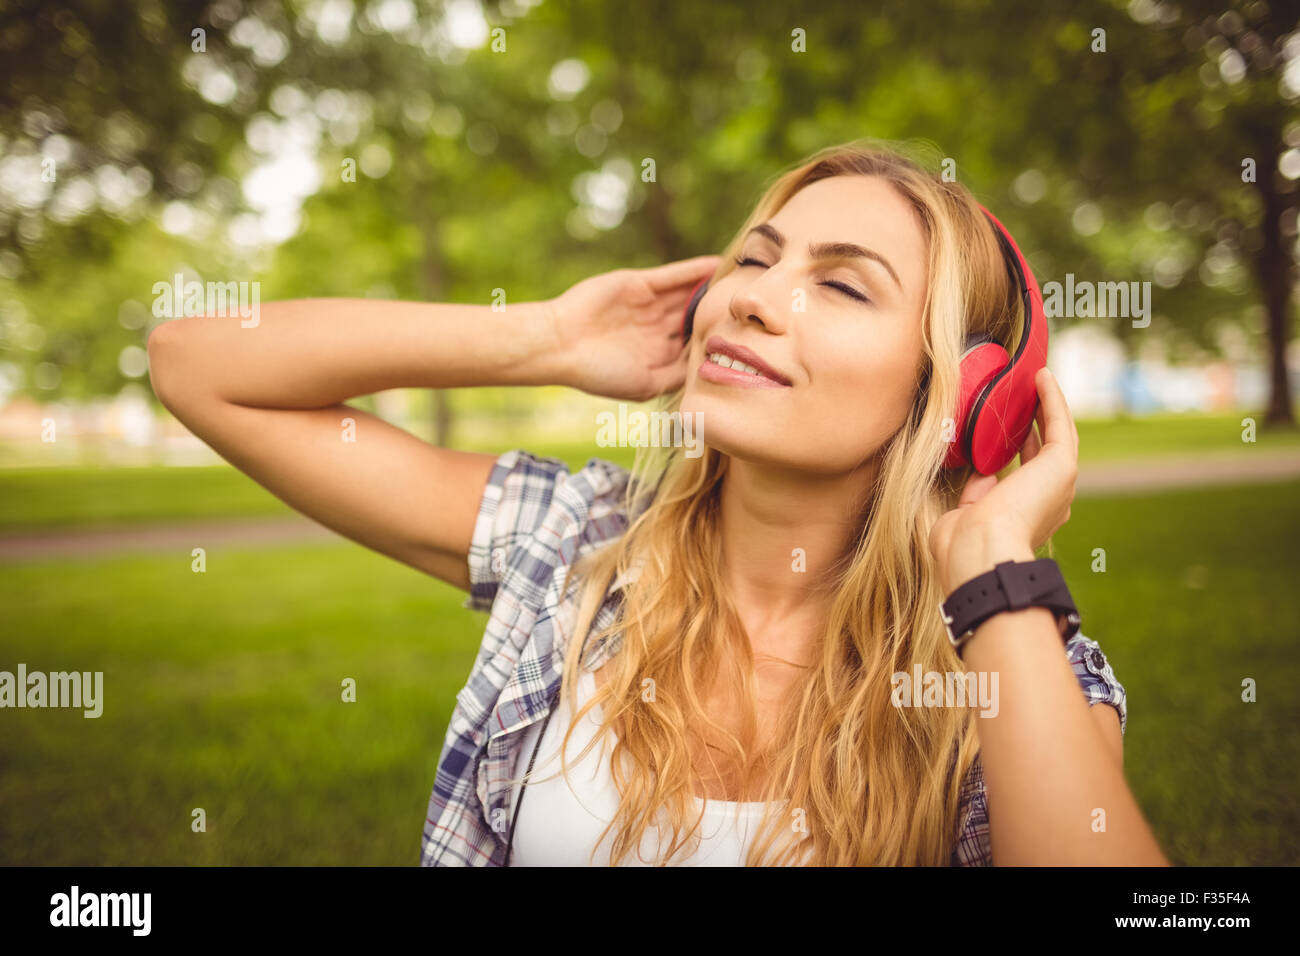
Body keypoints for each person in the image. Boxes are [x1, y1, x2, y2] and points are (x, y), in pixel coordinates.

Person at [148, 139, 1169, 867]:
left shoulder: (1011, 661)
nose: (755, 295)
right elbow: (194, 362)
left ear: (963, 397)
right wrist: (543, 339)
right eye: (756, 258)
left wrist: (992, 560)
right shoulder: (575, 544)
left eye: (844, 286)